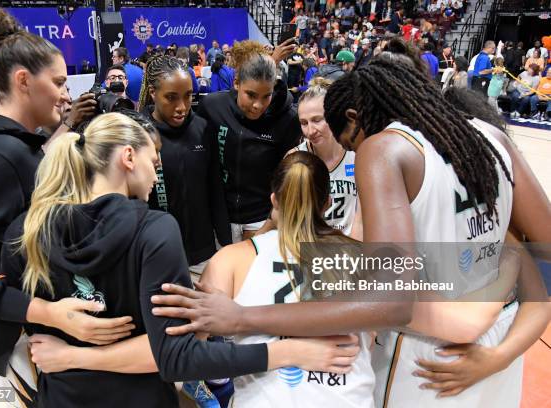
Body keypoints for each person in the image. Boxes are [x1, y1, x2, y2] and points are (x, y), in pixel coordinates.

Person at [152, 58, 551, 407]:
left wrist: (243, 319)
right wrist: (495, 275)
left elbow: (391, 302)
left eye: (348, 140)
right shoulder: (490, 135)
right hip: (497, 351)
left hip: (428, 361)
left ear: (356, 120)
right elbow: (543, 243)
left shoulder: (384, 149)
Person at [0, 112, 356, 407]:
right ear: (128, 157)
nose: (158, 167)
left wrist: (66, 346)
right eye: (154, 157)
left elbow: (4, 333)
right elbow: (176, 355)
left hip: (62, 396)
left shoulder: (26, 228)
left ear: (272, 200)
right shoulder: (156, 230)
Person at [0, 7, 132, 406]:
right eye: (59, 82)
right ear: (23, 81)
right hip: (15, 337)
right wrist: (46, 312)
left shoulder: (20, 147)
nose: (66, 93)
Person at [200, 151, 374, 407]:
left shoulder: (230, 260)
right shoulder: (364, 257)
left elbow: (187, 354)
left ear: (274, 200)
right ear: (327, 203)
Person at [196, 40, 301, 242]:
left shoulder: (287, 119)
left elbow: (287, 174)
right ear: (236, 83)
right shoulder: (212, 107)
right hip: (220, 217)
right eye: (250, 95)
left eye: (266, 96)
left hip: (263, 218)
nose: (257, 105)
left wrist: (273, 217)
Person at [138, 54, 231, 278]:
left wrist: (226, 246)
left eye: (188, 96)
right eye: (171, 97)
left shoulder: (202, 128)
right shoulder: (137, 133)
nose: (182, 107)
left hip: (204, 254)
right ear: (153, 93)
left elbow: (216, 191)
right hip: (157, 255)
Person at [289, 78, 359, 236]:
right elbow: (289, 219)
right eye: (304, 123)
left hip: (348, 248)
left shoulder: (357, 155)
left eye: (317, 120)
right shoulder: (295, 158)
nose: (310, 131)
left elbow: (361, 218)